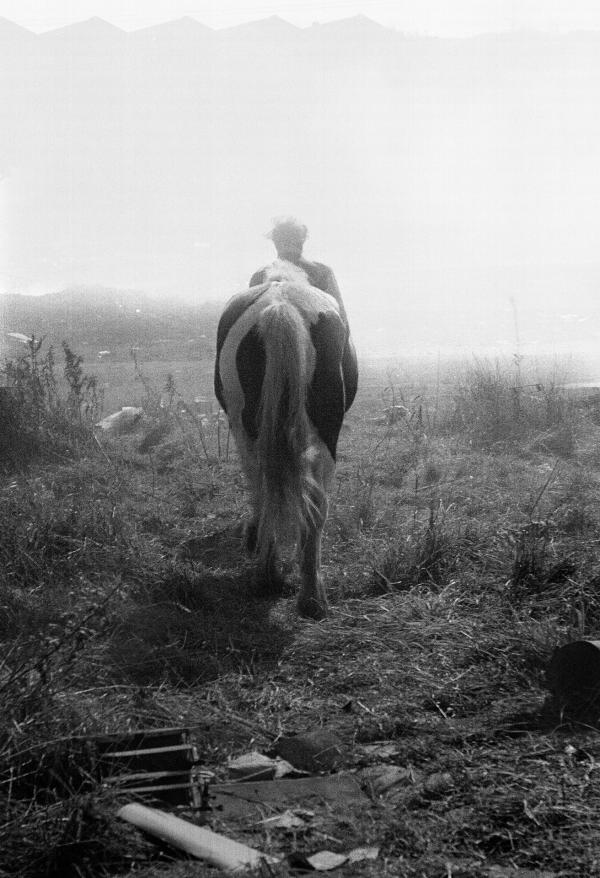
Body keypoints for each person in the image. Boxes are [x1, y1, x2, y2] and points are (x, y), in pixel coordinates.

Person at [249, 218, 348, 324]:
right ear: (302, 241)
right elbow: (340, 315)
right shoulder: (321, 272)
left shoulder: (259, 276)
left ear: (275, 243)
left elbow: (250, 317)